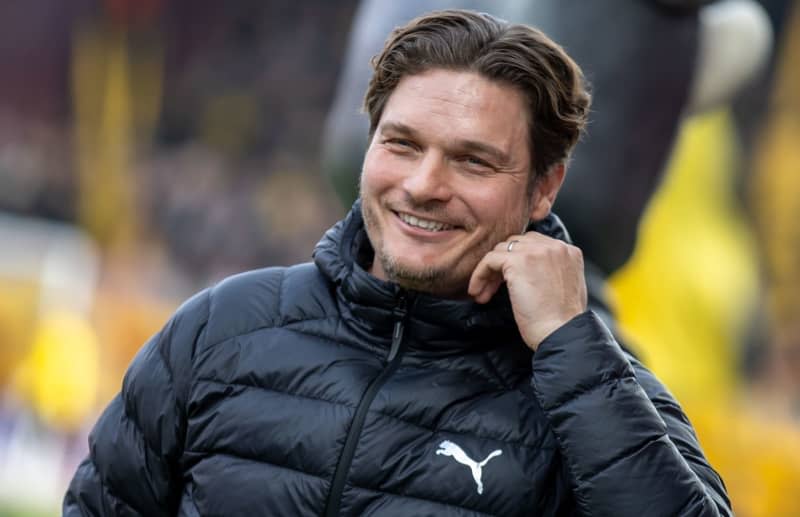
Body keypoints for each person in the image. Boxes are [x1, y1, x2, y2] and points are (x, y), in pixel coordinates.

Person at [64, 9, 731, 516]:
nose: (422, 184)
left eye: (473, 160)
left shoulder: (595, 383)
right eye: (402, 144)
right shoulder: (219, 328)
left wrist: (571, 345)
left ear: (545, 186)